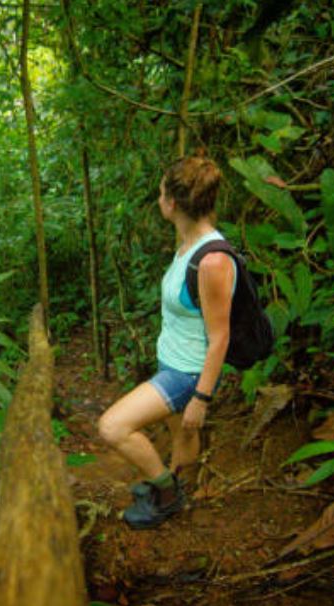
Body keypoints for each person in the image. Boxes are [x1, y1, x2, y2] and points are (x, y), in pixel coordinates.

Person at [98, 155, 235, 529]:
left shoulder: (212, 261)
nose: (158, 199)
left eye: (161, 193)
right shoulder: (188, 244)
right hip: (174, 361)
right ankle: (174, 485)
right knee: (181, 433)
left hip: (187, 374)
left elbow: (221, 335)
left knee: (112, 427)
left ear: (172, 203)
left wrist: (201, 398)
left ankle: (166, 490)